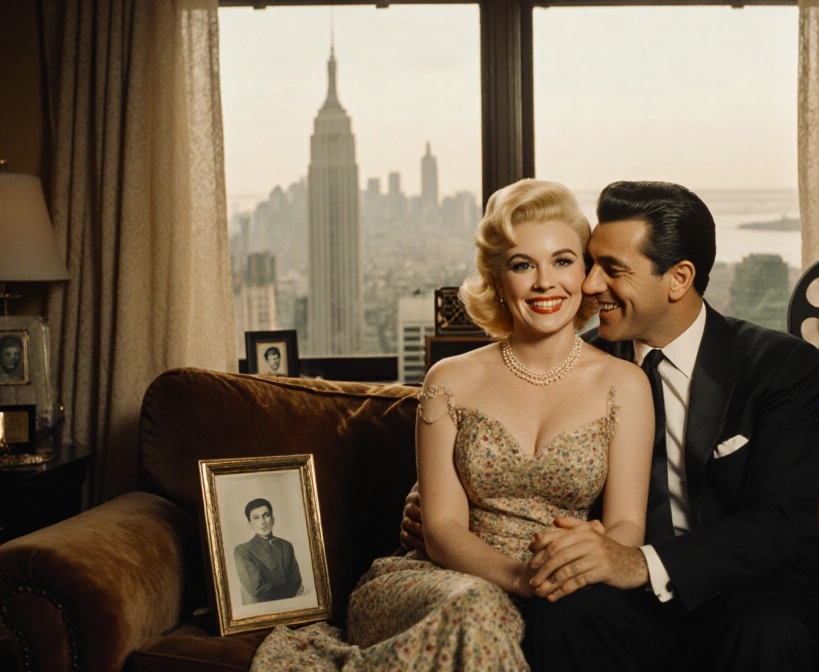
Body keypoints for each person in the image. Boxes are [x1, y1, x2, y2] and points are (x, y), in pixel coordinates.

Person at [403, 180, 819, 672]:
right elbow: (523, 457)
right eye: (590, 264)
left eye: (611, 269)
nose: (591, 285)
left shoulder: (776, 365)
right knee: (564, 613)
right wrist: (434, 507)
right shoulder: (583, 364)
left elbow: (781, 523)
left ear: (679, 278)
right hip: (635, 600)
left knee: (764, 631)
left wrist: (642, 564)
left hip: (760, 583)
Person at [250, 179, 655, 672]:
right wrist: (520, 577)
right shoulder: (449, 379)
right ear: (498, 279)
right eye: (523, 265)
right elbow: (439, 529)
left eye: (563, 260)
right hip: (438, 581)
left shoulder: (625, 384)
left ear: (586, 272)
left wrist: (581, 565)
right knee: (478, 608)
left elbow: (627, 526)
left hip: (560, 587)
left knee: (536, 621)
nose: (545, 281)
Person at [234, 498, 304, 605]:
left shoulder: (287, 546)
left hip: (290, 606)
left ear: (273, 519)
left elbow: (296, 582)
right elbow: (257, 589)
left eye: (266, 515)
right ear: (250, 523)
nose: (263, 522)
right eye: (256, 518)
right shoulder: (243, 551)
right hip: (261, 611)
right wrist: (286, 587)